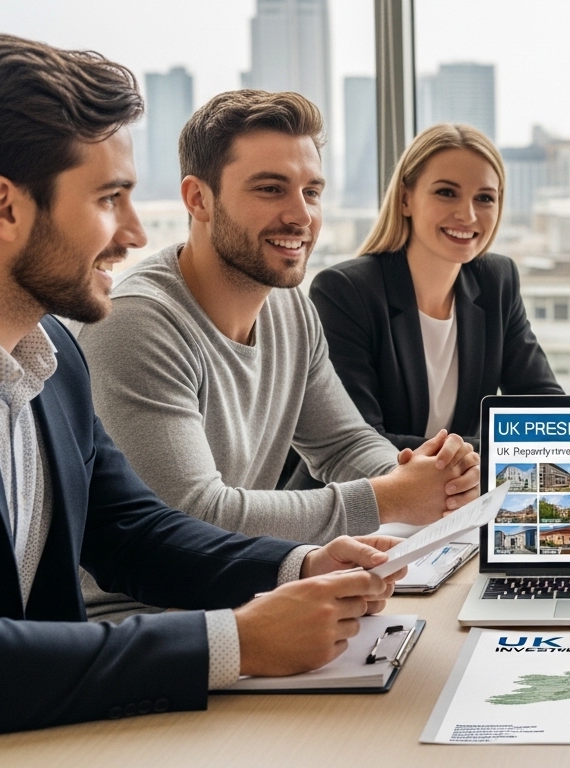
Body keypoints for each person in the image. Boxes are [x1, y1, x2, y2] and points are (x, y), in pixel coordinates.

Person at [0, 33, 407, 747]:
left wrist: (300, 563)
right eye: (109, 199)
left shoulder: (52, 364)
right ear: (5, 208)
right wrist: (235, 642)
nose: (134, 232)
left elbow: (132, 531)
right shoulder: (125, 326)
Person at [75, 91, 479, 620]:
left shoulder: (289, 306)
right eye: (270, 189)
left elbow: (341, 442)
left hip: (250, 595)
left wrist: (428, 481)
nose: (300, 215)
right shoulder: (138, 323)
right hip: (142, 624)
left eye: (311, 192)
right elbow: (193, 515)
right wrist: (390, 498)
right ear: (198, 199)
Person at [303, 123, 561, 462]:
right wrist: (493, 455)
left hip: (461, 505)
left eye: (484, 198)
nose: (467, 215)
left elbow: (546, 413)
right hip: (367, 504)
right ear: (406, 198)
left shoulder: (497, 282)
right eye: (446, 193)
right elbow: (360, 443)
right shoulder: (346, 292)